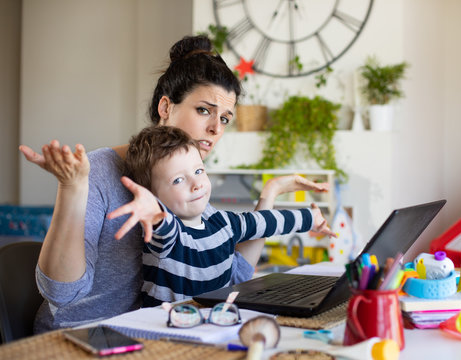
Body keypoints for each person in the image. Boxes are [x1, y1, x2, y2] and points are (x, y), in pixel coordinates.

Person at [19, 35, 331, 333]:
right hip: (84, 336)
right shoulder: (98, 171)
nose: (214, 129)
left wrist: (270, 193)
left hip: (156, 333)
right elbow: (61, 293)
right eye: (204, 110)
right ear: (166, 107)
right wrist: (72, 188)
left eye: (224, 119)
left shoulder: (188, 184)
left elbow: (232, 276)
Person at [108, 126, 335, 306]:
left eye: (199, 171)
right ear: (153, 196)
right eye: (178, 180)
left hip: (214, 322)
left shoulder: (223, 222)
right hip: (166, 332)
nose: (197, 184)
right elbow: (163, 226)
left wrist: (310, 218)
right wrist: (154, 213)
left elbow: (264, 223)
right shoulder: (170, 237)